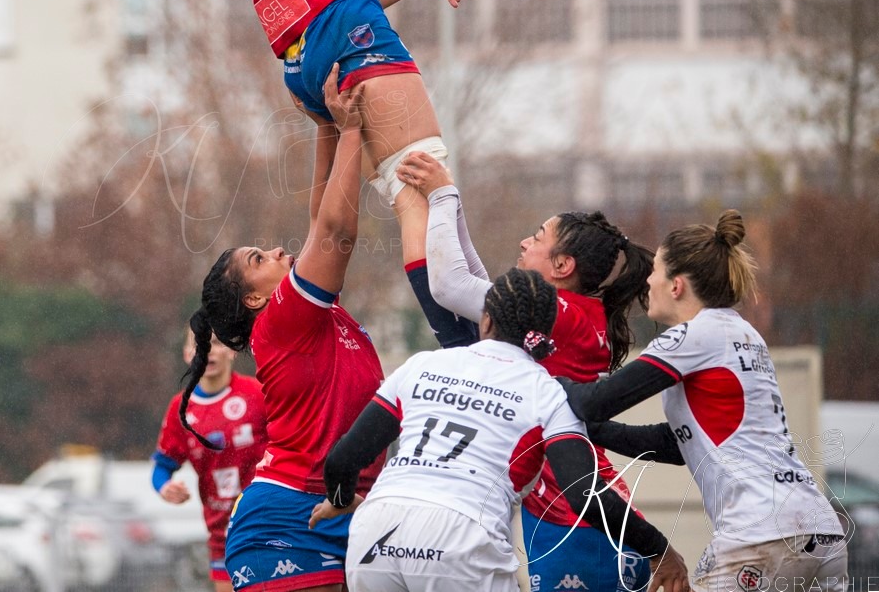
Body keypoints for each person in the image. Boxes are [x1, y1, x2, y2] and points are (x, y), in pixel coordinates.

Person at [90, 0, 478, 349]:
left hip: (305, 67)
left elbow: (309, 0)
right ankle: (467, 348)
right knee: (419, 189)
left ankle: (476, 339)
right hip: (346, 34)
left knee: (404, 193)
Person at [308, 267, 690, 592]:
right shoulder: (547, 391)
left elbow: (343, 459)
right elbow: (582, 494)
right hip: (460, 538)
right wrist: (657, 547)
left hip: (376, 531)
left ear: (486, 320)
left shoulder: (421, 365)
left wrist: (341, 500)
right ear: (545, 331)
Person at [399, 151, 659, 591]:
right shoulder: (574, 310)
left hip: (574, 514)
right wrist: (450, 199)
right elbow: (480, 289)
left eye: (537, 237)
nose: (524, 242)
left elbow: (451, 285)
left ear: (562, 267)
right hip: (573, 507)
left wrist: (443, 193)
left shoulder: (561, 313)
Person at [562, 210, 849, 591]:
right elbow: (680, 443)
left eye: (656, 271)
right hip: (819, 531)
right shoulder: (742, 333)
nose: (648, 280)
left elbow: (596, 402)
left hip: (761, 534)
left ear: (677, 285)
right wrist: (596, 432)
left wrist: (542, 378)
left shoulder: (693, 336)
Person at [180, 68, 383, 592]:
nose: (275, 250)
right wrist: (353, 129)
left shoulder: (310, 315)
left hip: (342, 508)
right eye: (258, 258)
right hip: (288, 517)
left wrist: (325, 124)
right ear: (254, 297)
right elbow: (335, 231)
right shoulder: (282, 317)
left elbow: (321, 220)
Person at [153, 327, 269, 592]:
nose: (207, 350)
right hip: (222, 534)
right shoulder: (180, 410)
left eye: (216, 342)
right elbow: (161, 467)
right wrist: (165, 488)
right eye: (198, 345)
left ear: (231, 350)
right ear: (186, 355)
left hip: (268, 521)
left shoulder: (257, 394)